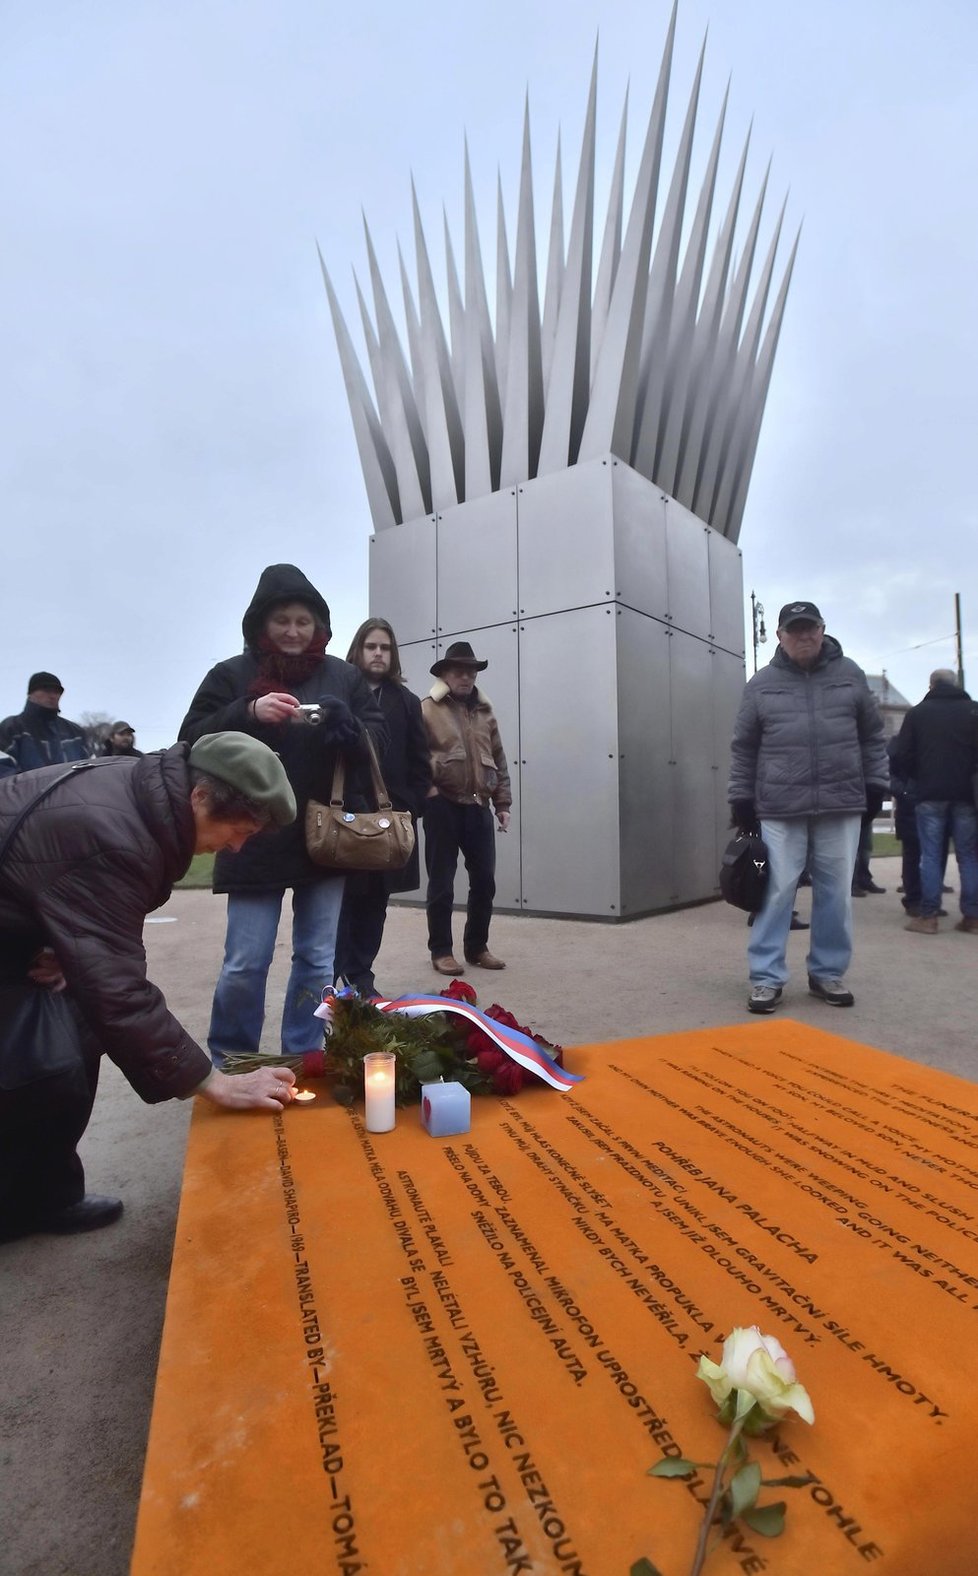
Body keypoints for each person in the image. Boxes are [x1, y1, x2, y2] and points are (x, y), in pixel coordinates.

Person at [0, 732, 300, 1244]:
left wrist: (61, 940)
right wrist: (210, 1081)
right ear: (200, 797)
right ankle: (24, 1204)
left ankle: (44, 1196)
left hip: (18, 931)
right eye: (237, 829)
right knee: (41, 1064)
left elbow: (57, 888)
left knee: (73, 1032)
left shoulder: (144, 792)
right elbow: (117, 990)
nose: (236, 846)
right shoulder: (115, 836)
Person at [179, 564, 388, 1062]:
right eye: (282, 621)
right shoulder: (231, 674)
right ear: (260, 625)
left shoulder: (344, 675)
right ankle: (232, 1060)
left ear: (321, 626)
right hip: (248, 837)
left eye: (304, 621)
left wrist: (348, 725)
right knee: (244, 963)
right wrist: (248, 714)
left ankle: (303, 1056)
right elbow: (189, 741)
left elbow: (380, 742)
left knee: (317, 962)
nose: (294, 631)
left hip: (324, 836)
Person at [728, 600, 888, 1014]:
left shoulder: (850, 674)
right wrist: (741, 800)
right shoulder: (760, 684)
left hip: (841, 803)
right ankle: (766, 977)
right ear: (780, 636)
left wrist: (876, 786)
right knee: (777, 892)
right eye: (794, 629)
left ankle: (827, 972)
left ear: (822, 630)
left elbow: (872, 738)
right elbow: (744, 749)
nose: (803, 635)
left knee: (836, 894)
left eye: (810, 627)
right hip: (780, 806)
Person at [333, 619, 432, 995]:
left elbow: (421, 764)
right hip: (343, 818)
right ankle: (332, 977)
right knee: (339, 902)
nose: (378, 653)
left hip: (388, 822)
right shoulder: (338, 692)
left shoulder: (406, 702)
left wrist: (408, 810)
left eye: (385, 648)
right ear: (358, 650)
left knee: (375, 902)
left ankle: (361, 976)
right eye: (371, 646)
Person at [421, 640, 512, 975]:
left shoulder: (485, 713)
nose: (466, 676)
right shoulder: (427, 709)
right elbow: (414, 756)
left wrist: (502, 803)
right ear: (445, 674)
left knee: (485, 882)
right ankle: (441, 951)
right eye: (459, 670)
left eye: (471, 670)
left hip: (478, 807)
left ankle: (477, 947)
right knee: (442, 883)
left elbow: (499, 760)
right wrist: (427, 791)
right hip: (442, 805)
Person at [892, 669, 978, 936]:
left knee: (929, 855)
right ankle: (973, 917)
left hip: (929, 791)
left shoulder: (918, 713)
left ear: (931, 685)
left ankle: (928, 916)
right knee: (968, 856)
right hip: (967, 793)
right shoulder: (974, 711)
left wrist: (915, 776)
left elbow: (900, 753)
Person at [0, 672, 88, 772]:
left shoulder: (75, 732)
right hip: (26, 787)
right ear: (30, 694)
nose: (53, 696)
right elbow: (4, 773)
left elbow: (88, 771)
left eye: (57, 692)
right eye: (47, 690)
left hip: (74, 788)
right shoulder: (12, 727)